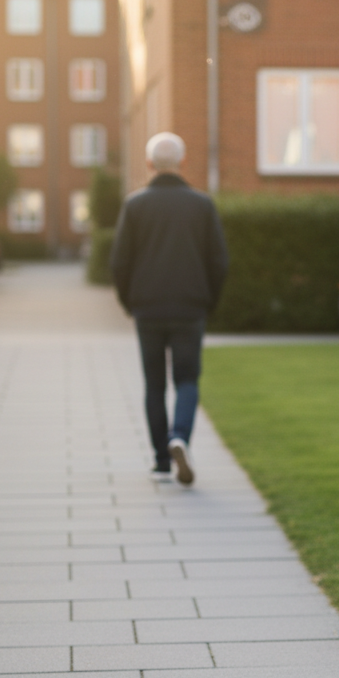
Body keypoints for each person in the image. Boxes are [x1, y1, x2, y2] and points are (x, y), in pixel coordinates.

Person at [111, 133, 228, 485]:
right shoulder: (202, 206)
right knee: (187, 379)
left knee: (154, 384)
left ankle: (162, 460)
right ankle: (180, 436)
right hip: (190, 308)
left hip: (147, 309)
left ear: (149, 164)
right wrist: (209, 301)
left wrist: (129, 303)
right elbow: (219, 262)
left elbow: (119, 263)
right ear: (183, 162)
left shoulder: (135, 206)